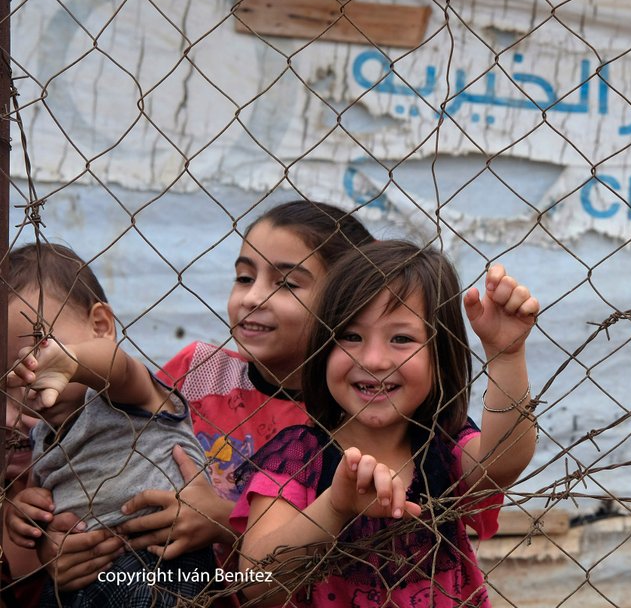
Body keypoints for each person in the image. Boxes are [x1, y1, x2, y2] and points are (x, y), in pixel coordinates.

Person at [5, 201, 374, 593]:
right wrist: (51, 541)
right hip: (132, 574)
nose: (252, 298)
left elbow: (343, 548)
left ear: (343, 300)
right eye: (245, 278)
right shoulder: (197, 371)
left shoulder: (351, 417)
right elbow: (112, 434)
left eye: (286, 284)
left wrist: (223, 521)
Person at [233, 241, 539, 607]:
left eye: (401, 338)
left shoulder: (443, 444)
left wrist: (506, 356)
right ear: (322, 348)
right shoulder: (299, 455)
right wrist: (335, 507)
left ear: (439, 356)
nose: (375, 359)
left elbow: (502, 463)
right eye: (350, 336)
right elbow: (256, 584)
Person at [3, 242, 216, 607]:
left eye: (41, 346)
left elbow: (117, 365)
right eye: (10, 372)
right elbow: (39, 502)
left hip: (158, 564)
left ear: (100, 326)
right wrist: (25, 516)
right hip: (77, 577)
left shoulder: (121, 393)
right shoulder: (42, 435)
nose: (29, 375)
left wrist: (72, 362)